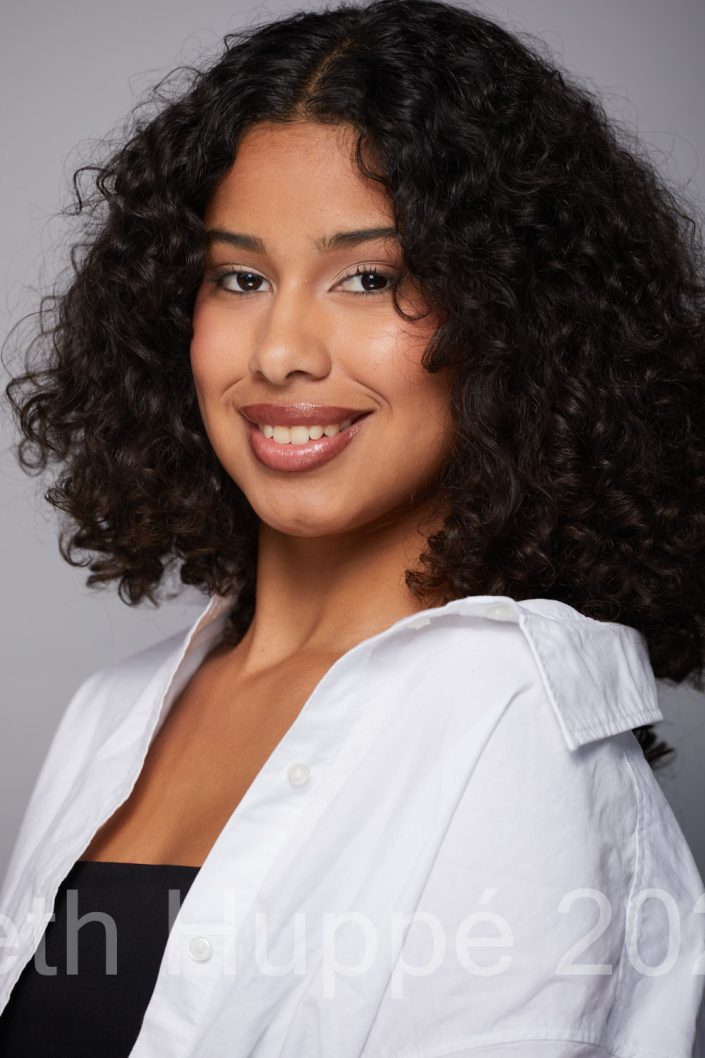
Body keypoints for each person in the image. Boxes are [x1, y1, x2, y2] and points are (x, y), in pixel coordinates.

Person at [1, 0, 704, 1054]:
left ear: (510, 317)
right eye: (240, 277)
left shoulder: (511, 715)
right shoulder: (112, 713)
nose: (281, 349)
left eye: (369, 278)